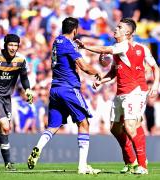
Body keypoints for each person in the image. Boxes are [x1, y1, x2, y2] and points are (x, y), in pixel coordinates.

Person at [76, 18, 160, 175]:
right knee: (115, 129)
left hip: (135, 91)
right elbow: (114, 72)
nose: (115, 29)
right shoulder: (118, 50)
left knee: (129, 126)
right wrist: (102, 82)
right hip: (121, 93)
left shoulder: (130, 47)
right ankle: (131, 162)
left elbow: (155, 67)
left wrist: (85, 46)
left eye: (119, 27)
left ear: (127, 32)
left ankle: (142, 165)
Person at [27, 17, 101, 175]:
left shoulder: (57, 41)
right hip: (69, 89)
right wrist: (98, 72)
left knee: (53, 126)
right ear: (75, 30)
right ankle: (82, 166)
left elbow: (67, 57)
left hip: (55, 89)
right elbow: (84, 66)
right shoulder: (68, 44)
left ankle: (38, 148)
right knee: (84, 123)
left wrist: (77, 46)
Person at [0, 34, 33, 170]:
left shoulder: (20, 60)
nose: (13, 48)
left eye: (15, 45)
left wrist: (27, 90)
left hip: (6, 97)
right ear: (5, 44)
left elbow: (24, 77)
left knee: (4, 131)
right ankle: (8, 163)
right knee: (5, 125)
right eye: (10, 45)